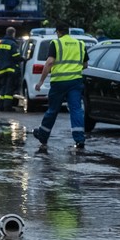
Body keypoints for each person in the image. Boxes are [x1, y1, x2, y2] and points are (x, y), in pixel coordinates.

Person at [33, 21, 88, 149]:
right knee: (76, 109)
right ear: (68, 31)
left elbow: (50, 62)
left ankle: (43, 135)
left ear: (58, 32)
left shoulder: (56, 43)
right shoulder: (80, 44)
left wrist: (41, 81)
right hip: (75, 82)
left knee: (53, 110)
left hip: (59, 83)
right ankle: (79, 139)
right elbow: (85, 65)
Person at [0, 26, 21, 112]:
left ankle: (0, 106)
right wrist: (23, 58)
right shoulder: (13, 44)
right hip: (11, 69)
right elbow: (16, 56)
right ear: (13, 34)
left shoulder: (1, 43)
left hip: (2, 69)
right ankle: (7, 107)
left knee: (3, 88)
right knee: (9, 89)